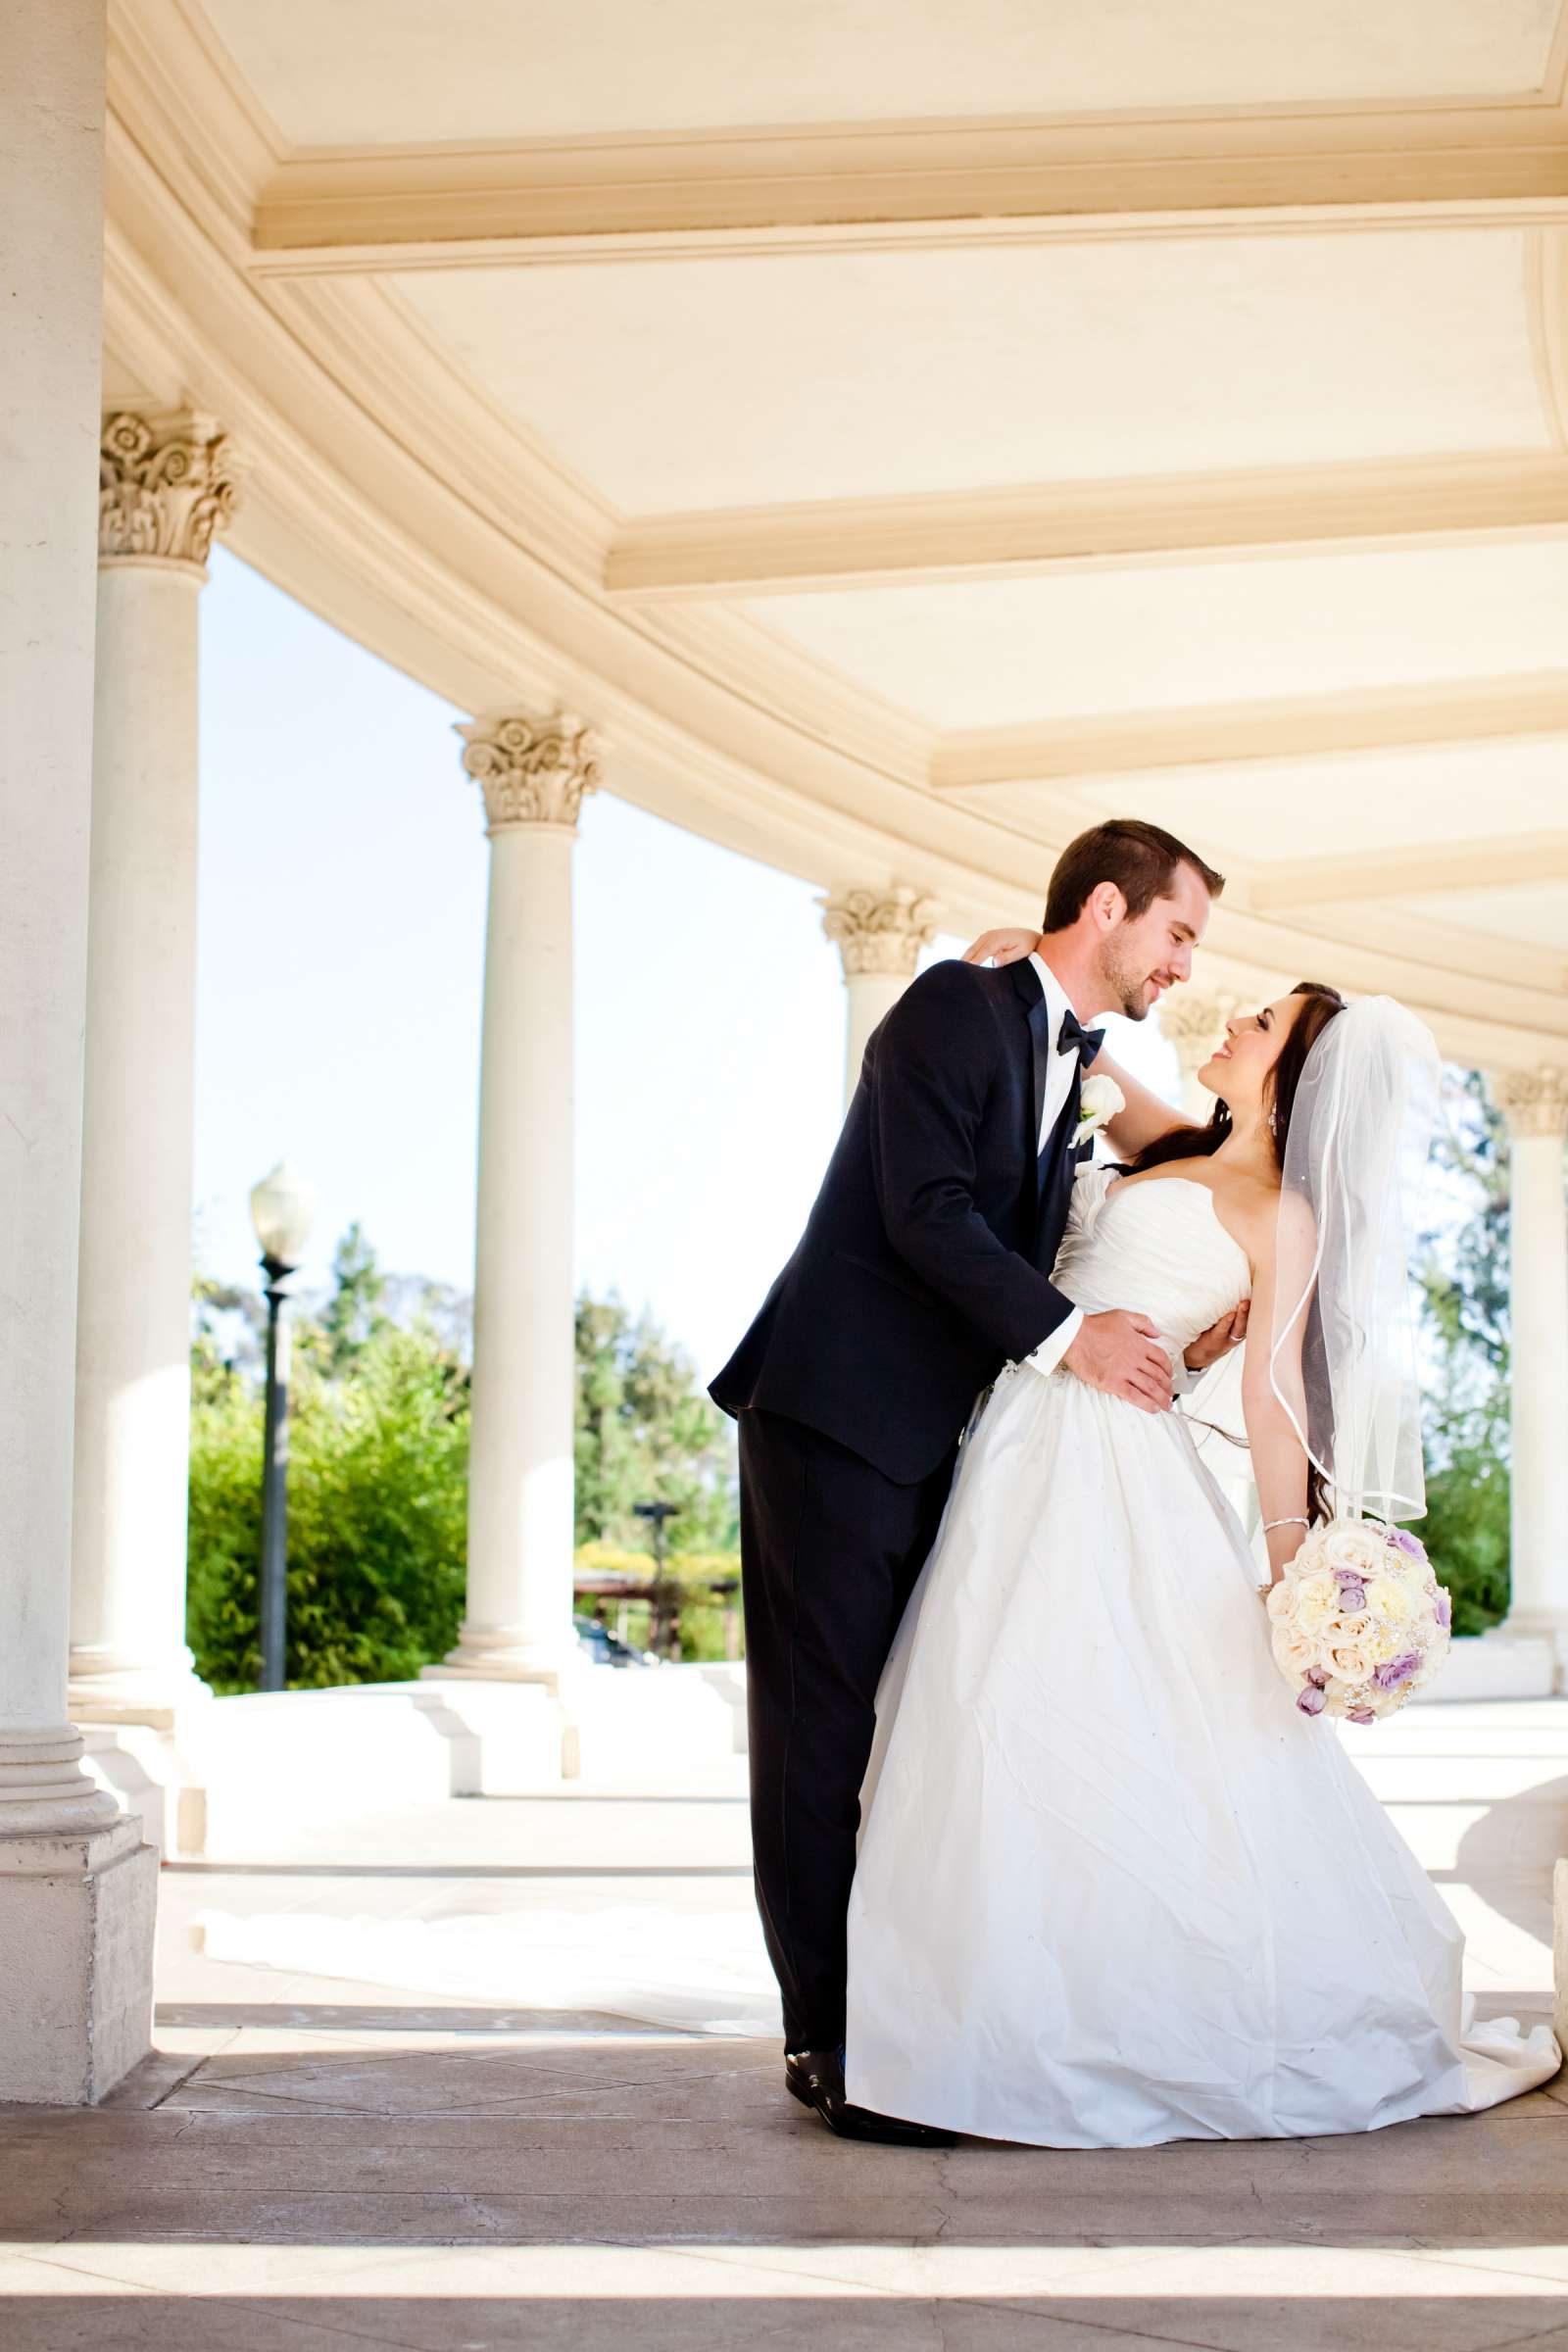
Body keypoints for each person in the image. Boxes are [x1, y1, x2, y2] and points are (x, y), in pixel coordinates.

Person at [843, 961, 1561, 2144]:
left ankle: (1057, 2015)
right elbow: (1025, 971)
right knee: (976, 1706)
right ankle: (976, 2009)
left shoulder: (1281, 1216)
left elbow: (1276, 1405)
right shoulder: (1168, 1135)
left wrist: (1295, 1581)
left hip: (1120, 1471)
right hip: (1017, 1436)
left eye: (1263, 1021)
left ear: (1294, 1081)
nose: (1229, 1016)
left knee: (1063, 1718)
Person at [710, 820, 1248, 2144]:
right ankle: (828, 2041)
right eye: (1178, 932)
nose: (1185, 964)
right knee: (820, 1738)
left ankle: (912, 2017)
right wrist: (1077, 1339)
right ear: (1109, 907)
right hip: (836, 1418)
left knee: (919, 1728)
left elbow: (1200, 1159)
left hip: (947, 1441)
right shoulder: (956, 1003)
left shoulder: (1070, 1048)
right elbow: (925, 1209)